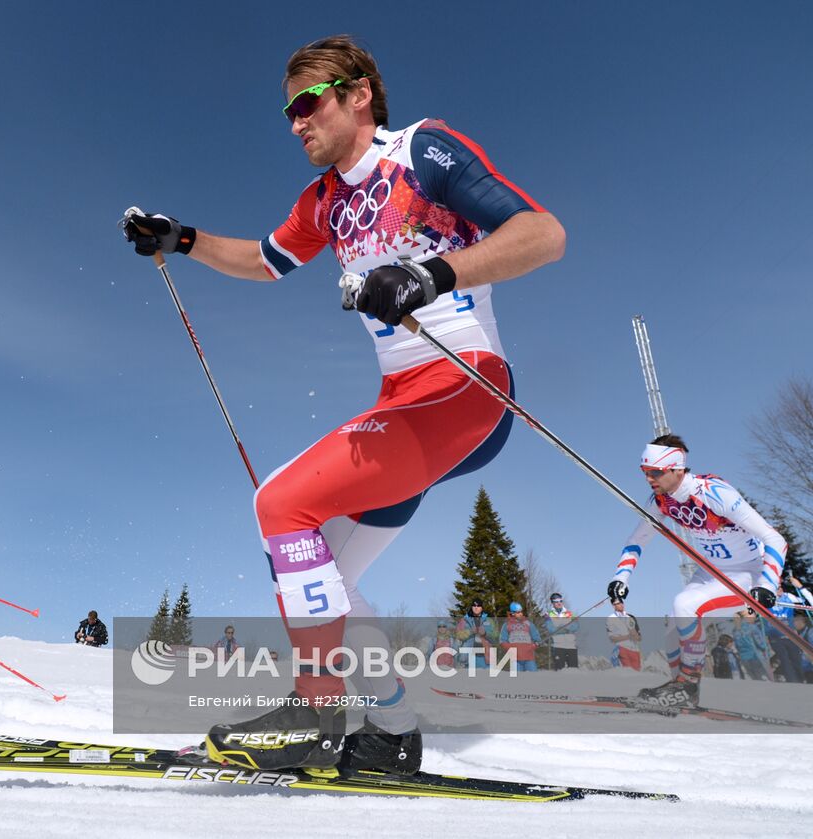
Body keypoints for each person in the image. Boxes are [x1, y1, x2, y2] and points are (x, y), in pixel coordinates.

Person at [120, 33, 564, 776]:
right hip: (404, 402)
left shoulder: (422, 151)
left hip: (464, 385)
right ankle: (391, 730)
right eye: (288, 111)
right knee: (325, 568)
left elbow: (542, 234)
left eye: (309, 102)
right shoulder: (325, 200)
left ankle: (315, 713)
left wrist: (434, 272)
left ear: (358, 95)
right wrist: (185, 237)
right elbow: (264, 260)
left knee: (280, 504)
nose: (297, 121)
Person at [606, 434, 787, 708]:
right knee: (673, 625)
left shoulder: (715, 493)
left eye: (655, 471)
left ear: (677, 468)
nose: (649, 478)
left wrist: (768, 584)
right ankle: (681, 689)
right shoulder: (661, 502)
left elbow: (775, 539)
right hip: (710, 572)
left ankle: (688, 686)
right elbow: (636, 540)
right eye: (644, 472)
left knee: (685, 605)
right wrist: (620, 577)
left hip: (747, 572)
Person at [498, 602, 541, 672]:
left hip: (529, 657)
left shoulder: (528, 624)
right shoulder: (506, 625)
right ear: (512, 613)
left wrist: (533, 646)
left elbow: (537, 639)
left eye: (521, 611)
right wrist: (511, 649)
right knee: (517, 681)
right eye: (518, 612)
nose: (520, 614)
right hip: (515, 659)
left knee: (533, 679)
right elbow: (502, 641)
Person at [543, 592, 579, 670]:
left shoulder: (569, 613)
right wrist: (564, 629)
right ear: (552, 602)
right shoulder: (548, 614)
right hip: (558, 646)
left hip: (571, 646)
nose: (559, 603)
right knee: (559, 670)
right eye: (556, 601)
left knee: (574, 670)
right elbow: (550, 629)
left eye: (560, 601)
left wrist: (564, 628)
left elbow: (576, 626)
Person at [454, 599, 494, 669]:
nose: (476, 607)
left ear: (482, 608)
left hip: (486, 658)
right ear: (471, 607)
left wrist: (485, 633)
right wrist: (470, 631)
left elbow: (496, 636)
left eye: (478, 606)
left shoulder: (489, 620)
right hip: (468, 659)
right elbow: (458, 635)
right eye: (474, 605)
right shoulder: (464, 620)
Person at [733, 610, 771, 681]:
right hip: (756, 656)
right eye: (753, 614)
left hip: (744, 659)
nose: (754, 616)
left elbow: (737, 646)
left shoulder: (735, 630)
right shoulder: (752, 627)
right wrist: (767, 652)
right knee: (763, 678)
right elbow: (761, 643)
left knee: (755, 679)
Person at [606, 597, 642, 671]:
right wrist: (628, 636)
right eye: (615, 604)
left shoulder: (631, 617)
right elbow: (612, 639)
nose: (618, 605)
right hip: (622, 648)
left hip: (635, 650)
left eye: (619, 603)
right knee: (627, 674)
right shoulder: (610, 619)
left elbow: (639, 637)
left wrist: (635, 636)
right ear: (613, 606)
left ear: (623, 604)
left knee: (637, 676)